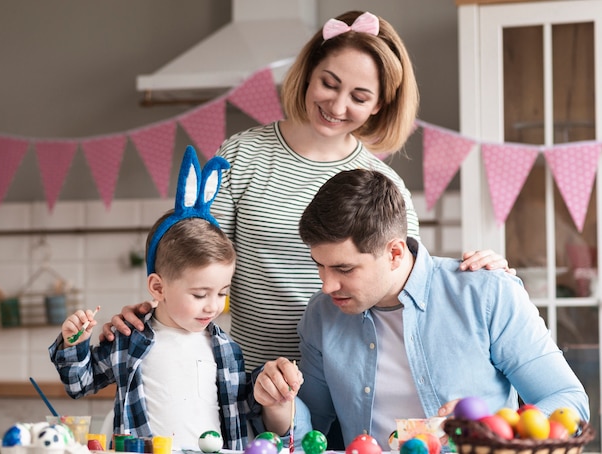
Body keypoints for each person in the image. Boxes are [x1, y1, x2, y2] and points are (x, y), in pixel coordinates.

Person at [101, 10, 511, 372]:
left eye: (359, 96)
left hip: (348, 382)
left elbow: (408, 289)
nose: (337, 104)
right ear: (308, 74)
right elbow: (192, 258)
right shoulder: (242, 155)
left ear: (380, 106)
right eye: (329, 84)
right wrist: (157, 309)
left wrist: (477, 275)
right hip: (247, 375)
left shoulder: (382, 187)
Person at [253, 168, 590, 450]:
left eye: (344, 269)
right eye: (320, 267)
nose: (327, 286)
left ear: (395, 253)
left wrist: (489, 426)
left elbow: (570, 402)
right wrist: (280, 404)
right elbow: (314, 428)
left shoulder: (487, 292)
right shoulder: (322, 314)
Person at [49, 147, 311, 450]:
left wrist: (270, 387)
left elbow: (246, 407)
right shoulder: (128, 339)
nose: (213, 305)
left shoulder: (226, 349)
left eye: (222, 293)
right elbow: (79, 384)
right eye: (200, 294)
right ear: (158, 288)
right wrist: (73, 343)